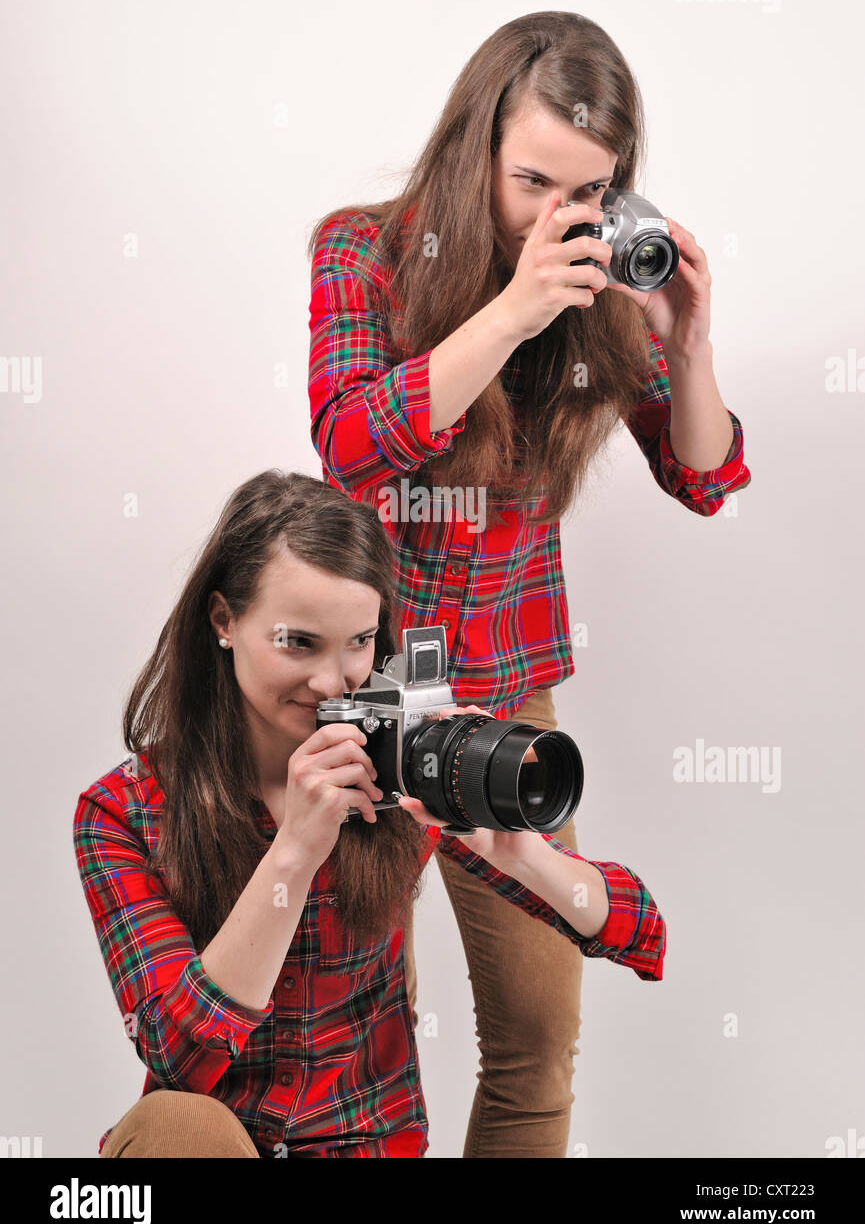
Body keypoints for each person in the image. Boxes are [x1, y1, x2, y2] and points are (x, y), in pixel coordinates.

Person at [306, 9, 751, 1158]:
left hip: (505, 688)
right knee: (357, 1030)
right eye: (529, 180)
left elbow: (702, 480)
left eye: (587, 189)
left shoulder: (600, 283)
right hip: (363, 687)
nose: (555, 213)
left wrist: (688, 343)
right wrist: (512, 309)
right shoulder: (362, 250)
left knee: (538, 1032)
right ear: (477, 143)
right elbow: (353, 440)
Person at [73, 469, 666, 1159]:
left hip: (366, 1147)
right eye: (297, 642)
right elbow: (180, 1056)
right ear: (223, 621)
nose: (332, 682)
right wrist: (293, 851)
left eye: (357, 642)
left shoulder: (390, 770)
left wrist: (521, 854)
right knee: (178, 1124)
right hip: (212, 1148)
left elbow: (637, 930)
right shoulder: (123, 811)